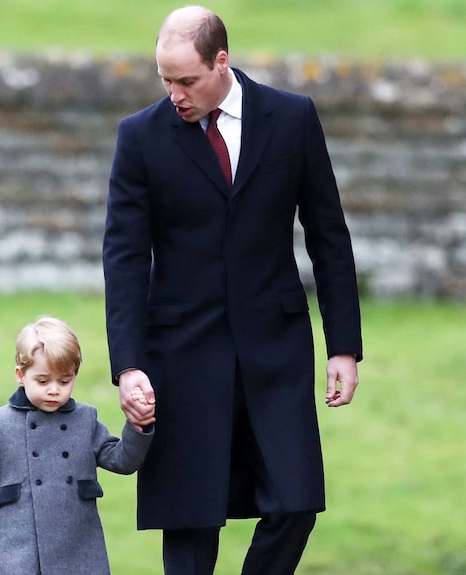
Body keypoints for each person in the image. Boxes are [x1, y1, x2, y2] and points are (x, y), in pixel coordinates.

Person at [102, 6, 363, 575]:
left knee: (296, 503)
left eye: (186, 80)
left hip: (276, 348)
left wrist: (343, 344)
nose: (175, 93)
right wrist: (128, 365)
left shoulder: (292, 118)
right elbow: (123, 258)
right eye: (165, 80)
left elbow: (328, 235)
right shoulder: (140, 137)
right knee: (192, 522)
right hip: (181, 355)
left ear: (222, 62)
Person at [0, 316, 154, 575]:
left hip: (79, 550)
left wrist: (137, 426)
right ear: (21, 375)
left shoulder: (86, 420)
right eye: (43, 381)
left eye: (64, 381)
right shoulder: (0, 424)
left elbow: (122, 461)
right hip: (19, 552)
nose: (54, 390)